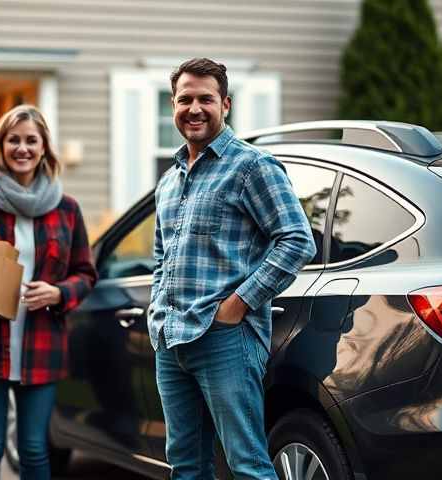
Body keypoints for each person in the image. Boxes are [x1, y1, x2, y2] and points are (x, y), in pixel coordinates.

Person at [148, 58, 317, 479]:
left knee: (247, 464)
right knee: (185, 465)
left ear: (226, 104)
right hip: (171, 340)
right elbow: (161, 255)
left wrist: (239, 304)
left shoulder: (252, 166)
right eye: (185, 99)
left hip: (224, 338)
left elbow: (297, 240)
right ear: (173, 106)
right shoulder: (170, 181)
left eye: (206, 98)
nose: (195, 108)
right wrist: (159, 311)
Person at [0, 104, 97, 480]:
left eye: (31, 140)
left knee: (34, 450)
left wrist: (59, 293)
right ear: (1, 146)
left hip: (42, 344)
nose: (22, 148)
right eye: (14, 140)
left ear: (44, 148)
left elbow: (86, 273)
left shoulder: (67, 210)